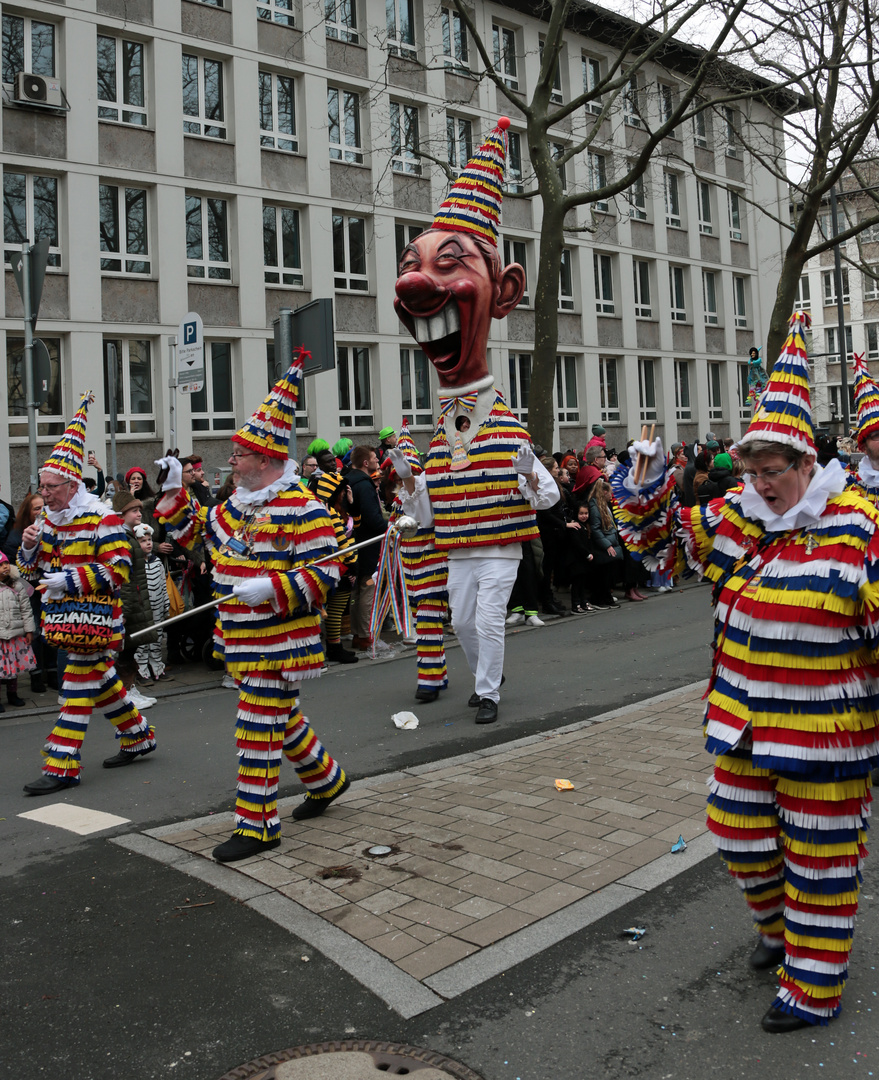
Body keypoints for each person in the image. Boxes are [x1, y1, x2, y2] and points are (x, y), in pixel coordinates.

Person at [614, 311, 879, 1032]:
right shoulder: (737, 515)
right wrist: (642, 486)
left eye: (772, 472)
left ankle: (813, 985)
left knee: (819, 860)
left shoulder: (860, 526)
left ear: (805, 464)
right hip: (740, 722)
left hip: (826, 735)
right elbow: (655, 557)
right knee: (735, 832)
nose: (760, 485)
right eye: (751, 471)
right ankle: (775, 928)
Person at [390, 118, 558, 725]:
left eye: (448, 264)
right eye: (413, 265)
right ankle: (488, 668)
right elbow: (428, 512)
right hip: (458, 547)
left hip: (499, 548)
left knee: (487, 618)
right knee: (462, 619)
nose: (415, 281)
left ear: (505, 291)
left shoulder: (508, 430)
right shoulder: (441, 435)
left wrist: (529, 478)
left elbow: (547, 496)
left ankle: (486, 691)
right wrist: (411, 488)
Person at [154, 353, 349, 863]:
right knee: (279, 718)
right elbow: (192, 535)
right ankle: (327, 780)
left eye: (239, 454)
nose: (231, 461)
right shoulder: (234, 506)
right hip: (239, 637)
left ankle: (257, 825)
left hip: (279, 639)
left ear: (265, 459)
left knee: (257, 722)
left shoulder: (303, 507)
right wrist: (174, 493)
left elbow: (324, 573)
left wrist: (273, 589)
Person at [19, 392, 156, 794]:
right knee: (102, 682)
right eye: (41, 487)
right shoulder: (49, 520)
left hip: (97, 620)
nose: (45, 495)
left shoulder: (103, 517)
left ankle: (62, 767)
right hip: (63, 619)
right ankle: (138, 737)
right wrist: (28, 547)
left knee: (76, 688)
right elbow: (29, 574)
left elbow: (120, 570)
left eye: (52, 487)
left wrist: (71, 579)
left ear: (72, 482)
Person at [311, 471, 358, 664]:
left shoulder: (334, 509)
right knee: (336, 610)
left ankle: (334, 646)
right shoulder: (329, 511)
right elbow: (341, 542)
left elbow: (357, 524)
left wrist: (351, 503)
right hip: (341, 566)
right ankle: (334, 647)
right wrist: (352, 565)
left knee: (336, 609)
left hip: (340, 565)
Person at [347, 445, 388, 654]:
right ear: (366, 463)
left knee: (357, 591)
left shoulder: (349, 480)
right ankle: (366, 635)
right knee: (368, 588)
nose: (377, 463)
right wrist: (388, 529)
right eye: (374, 459)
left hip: (353, 543)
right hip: (368, 543)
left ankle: (357, 634)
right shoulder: (364, 485)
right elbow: (373, 518)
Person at [132, 523, 172, 683]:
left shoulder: (157, 563)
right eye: (143, 541)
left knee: (157, 638)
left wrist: (166, 605)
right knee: (142, 641)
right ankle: (141, 671)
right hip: (142, 610)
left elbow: (163, 585)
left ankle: (157, 668)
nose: (148, 543)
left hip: (157, 609)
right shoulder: (135, 565)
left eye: (149, 540)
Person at [0, 551, 36, 710]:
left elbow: (26, 610)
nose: (4, 567)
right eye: (0, 565)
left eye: (6, 563)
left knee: (12, 668)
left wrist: (29, 630)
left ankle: (12, 694)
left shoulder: (17, 585)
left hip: (14, 635)